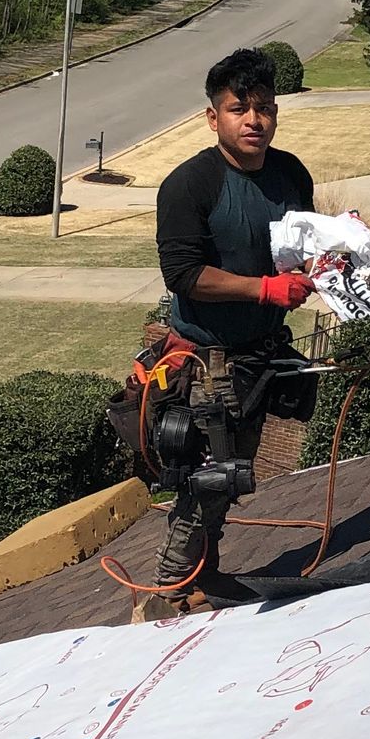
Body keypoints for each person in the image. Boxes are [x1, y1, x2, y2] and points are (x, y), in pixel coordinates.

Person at [142, 48, 317, 610]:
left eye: (264, 107)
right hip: (207, 362)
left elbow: (301, 246)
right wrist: (263, 289)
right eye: (239, 108)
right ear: (213, 117)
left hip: (261, 353)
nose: (254, 120)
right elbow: (184, 275)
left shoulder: (291, 174)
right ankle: (167, 594)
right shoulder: (189, 185)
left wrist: (331, 258)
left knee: (232, 476)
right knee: (207, 478)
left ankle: (204, 575)